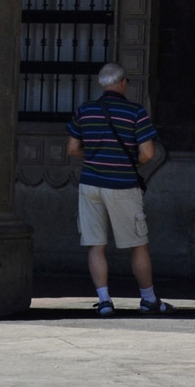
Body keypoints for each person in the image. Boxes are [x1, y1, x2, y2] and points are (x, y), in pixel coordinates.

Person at [64, 63, 172, 316]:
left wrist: (94, 157)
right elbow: (148, 153)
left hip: (90, 184)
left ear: (102, 84)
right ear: (123, 83)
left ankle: (104, 301)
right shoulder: (135, 112)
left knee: (95, 244)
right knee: (138, 244)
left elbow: (71, 149)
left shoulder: (85, 110)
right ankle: (148, 299)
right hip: (123, 185)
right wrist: (131, 162)